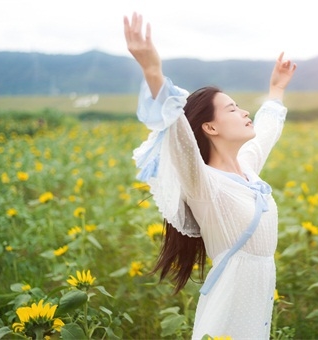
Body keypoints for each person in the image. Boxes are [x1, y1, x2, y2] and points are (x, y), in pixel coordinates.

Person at [123, 12, 297, 339]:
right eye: (232, 109)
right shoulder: (204, 184)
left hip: (257, 304)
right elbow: (180, 138)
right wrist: (152, 71)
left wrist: (276, 90)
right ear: (210, 127)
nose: (245, 112)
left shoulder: (246, 170)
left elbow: (267, 132)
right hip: (229, 309)